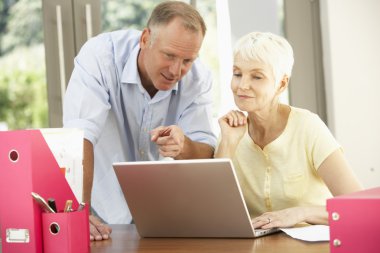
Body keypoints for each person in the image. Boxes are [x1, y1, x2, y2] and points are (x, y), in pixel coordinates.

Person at [63, 1, 216, 241]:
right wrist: (78, 211)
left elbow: (206, 149)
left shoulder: (200, 79)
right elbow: (79, 136)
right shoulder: (100, 56)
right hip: (97, 208)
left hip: (164, 213)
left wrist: (184, 146)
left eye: (188, 61)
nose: (176, 71)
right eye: (169, 55)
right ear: (145, 39)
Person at [215, 31, 362, 229]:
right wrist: (228, 144)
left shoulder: (308, 127)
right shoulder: (230, 131)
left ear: (281, 84)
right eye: (237, 74)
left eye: (257, 77)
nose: (242, 85)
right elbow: (215, 214)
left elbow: (360, 208)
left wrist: (301, 213)